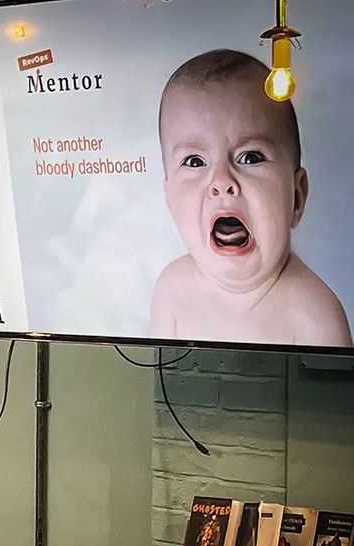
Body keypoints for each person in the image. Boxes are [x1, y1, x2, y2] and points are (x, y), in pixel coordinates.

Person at [148, 49, 352, 347]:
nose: (221, 182)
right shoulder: (171, 290)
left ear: (297, 197)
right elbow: (157, 388)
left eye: (251, 156)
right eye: (194, 161)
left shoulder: (315, 316)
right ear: (170, 202)